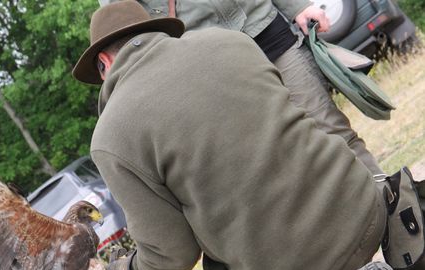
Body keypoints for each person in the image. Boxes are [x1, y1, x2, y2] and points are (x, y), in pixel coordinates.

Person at [72, 1, 424, 270]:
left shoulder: (111, 136)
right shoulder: (231, 42)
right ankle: (401, 259)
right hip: (362, 211)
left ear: (104, 62)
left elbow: (170, 257)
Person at [98, 0, 384, 176]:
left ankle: (397, 221)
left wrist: (296, 5)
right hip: (211, 58)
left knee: (333, 131)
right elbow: (125, 23)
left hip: (265, 29)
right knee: (274, 163)